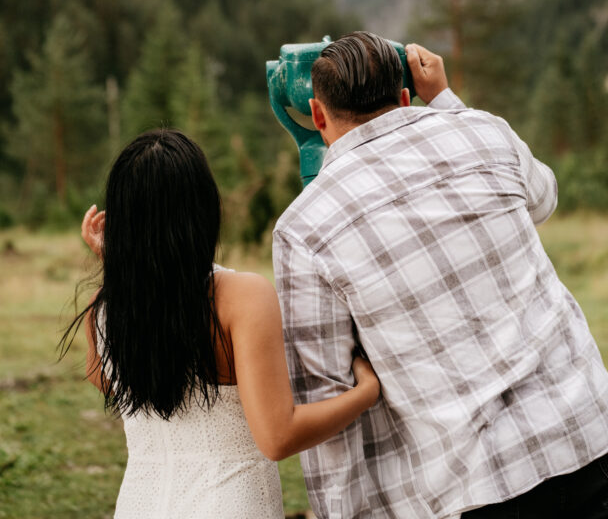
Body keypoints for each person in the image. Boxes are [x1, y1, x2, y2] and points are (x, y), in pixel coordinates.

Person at [272, 32, 608, 519]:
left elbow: (325, 393)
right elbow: (544, 197)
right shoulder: (482, 131)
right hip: (590, 440)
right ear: (405, 98)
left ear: (318, 116)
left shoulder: (304, 228)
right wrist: (446, 102)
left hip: (478, 486)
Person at [67, 128, 379, 519]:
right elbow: (278, 437)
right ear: (202, 210)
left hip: (139, 505)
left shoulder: (104, 306)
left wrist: (120, 270)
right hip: (229, 504)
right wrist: (365, 393)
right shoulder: (242, 297)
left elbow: (106, 379)